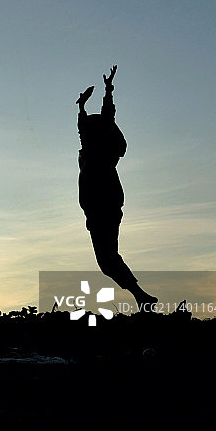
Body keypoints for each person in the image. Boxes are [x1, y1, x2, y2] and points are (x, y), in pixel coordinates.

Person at [77, 65, 157, 312]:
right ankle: (141, 296)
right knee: (107, 259)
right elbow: (95, 122)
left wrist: (103, 94)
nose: (84, 131)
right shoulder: (97, 151)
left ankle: (141, 296)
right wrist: (94, 98)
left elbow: (103, 119)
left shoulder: (98, 154)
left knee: (107, 259)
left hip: (102, 207)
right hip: (101, 207)